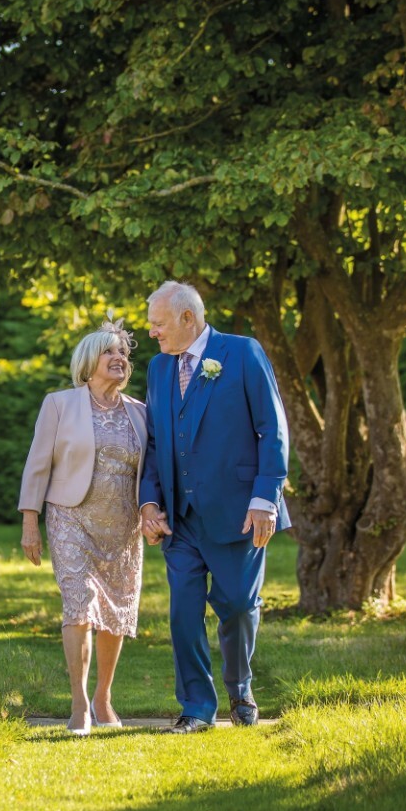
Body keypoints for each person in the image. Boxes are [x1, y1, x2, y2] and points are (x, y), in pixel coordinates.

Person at [139, 281, 290, 733]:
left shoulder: (242, 353)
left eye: (158, 323)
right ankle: (197, 708)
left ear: (189, 318)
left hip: (240, 510)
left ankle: (240, 688)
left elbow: (273, 427)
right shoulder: (158, 369)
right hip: (179, 520)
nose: (152, 333)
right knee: (183, 612)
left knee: (239, 606)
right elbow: (152, 441)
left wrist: (266, 497)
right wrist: (148, 501)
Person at [19, 320, 147, 736]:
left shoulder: (140, 412)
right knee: (80, 604)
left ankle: (104, 697)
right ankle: (79, 705)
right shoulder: (59, 404)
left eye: (123, 354)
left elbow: (154, 472)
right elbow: (37, 464)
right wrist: (30, 522)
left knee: (114, 611)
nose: (119, 360)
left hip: (122, 525)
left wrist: (153, 512)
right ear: (88, 363)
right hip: (69, 517)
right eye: (110, 353)